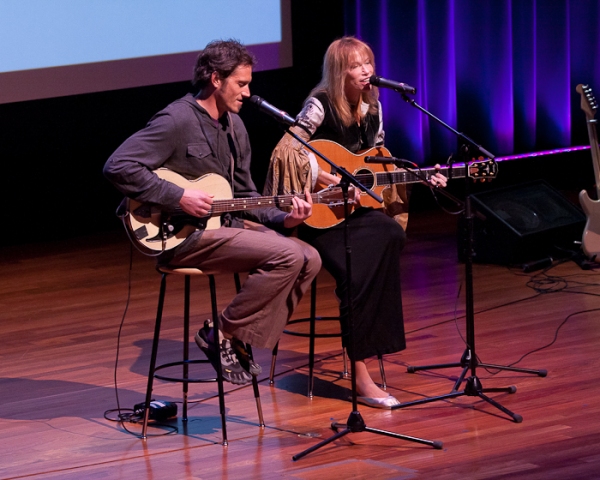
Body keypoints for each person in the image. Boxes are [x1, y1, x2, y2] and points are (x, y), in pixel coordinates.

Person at [104, 39, 321, 386]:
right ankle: (219, 333)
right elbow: (118, 166)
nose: (248, 93)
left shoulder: (235, 127)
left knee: (309, 257)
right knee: (288, 254)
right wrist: (178, 197)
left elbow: (247, 197)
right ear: (216, 79)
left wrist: (287, 219)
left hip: (226, 226)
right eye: (241, 83)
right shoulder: (176, 119)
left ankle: (235, 338)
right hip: (180, 235)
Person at [263, 36, 446, 408]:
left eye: (369, 63)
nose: (367, 71)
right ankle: (361, 374)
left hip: (356, 212)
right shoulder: (319, 105)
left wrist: (420, 174)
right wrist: (316, 172)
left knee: (390, 233)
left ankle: (371, 352)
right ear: (338, 71)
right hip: (320, 215)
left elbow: (378, 163)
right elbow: (286, 150)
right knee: (357, 266)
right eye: (356, 65)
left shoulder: (374, 110)